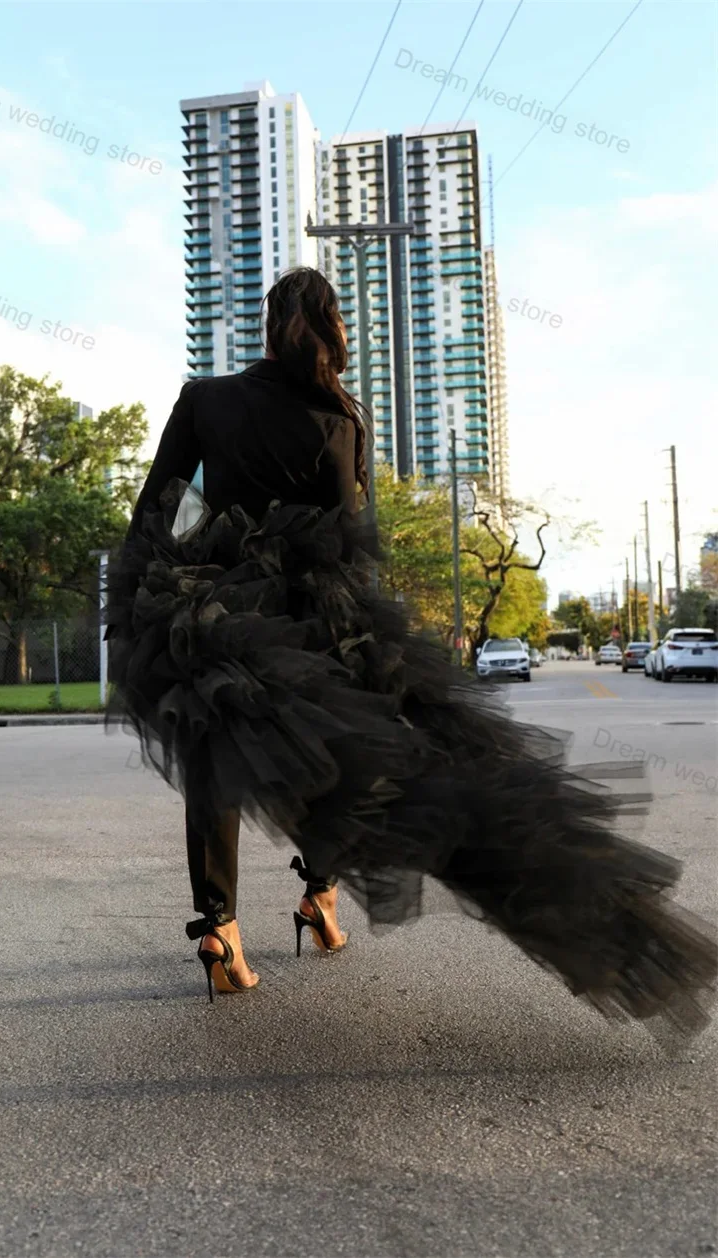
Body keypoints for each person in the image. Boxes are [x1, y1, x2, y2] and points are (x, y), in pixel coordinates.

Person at [107, 267, 715, 1029]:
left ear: (269, 324)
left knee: (213, 761)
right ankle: (320, 896)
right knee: (349, 761)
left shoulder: (205, 398)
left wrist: (147, 601)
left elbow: (155, 507)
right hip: (318, 616)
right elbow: (349, 540)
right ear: (333, 330)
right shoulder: (339, 419)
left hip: (220, 606)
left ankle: (220, 930)